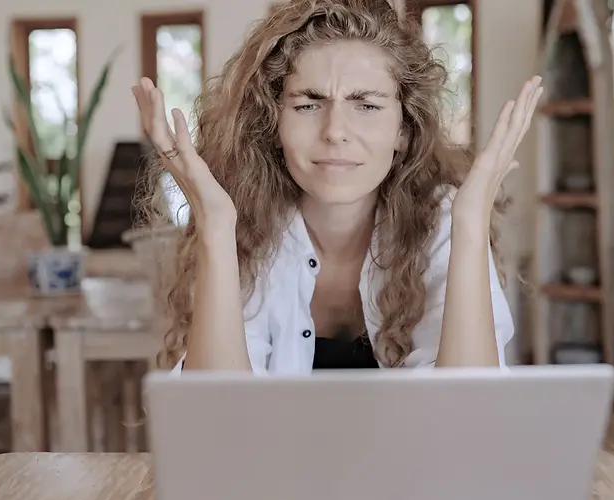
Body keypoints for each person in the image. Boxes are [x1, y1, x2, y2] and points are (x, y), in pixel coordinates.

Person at [133, 0, 542, 374]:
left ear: (403, 130)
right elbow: (217, 417)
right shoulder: (245, 224)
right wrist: (215, 226)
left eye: (366, 105)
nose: (335, 131)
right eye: (308, 104)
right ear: (273, 125)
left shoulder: (440, 219)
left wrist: (469, 221)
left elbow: (468, 415)